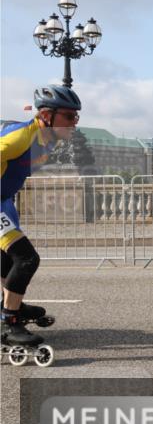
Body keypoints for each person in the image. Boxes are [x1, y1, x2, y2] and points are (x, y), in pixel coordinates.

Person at [1, 85, 81, 346]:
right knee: (26, 259)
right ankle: (10, 322)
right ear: (47, 115)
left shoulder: (48, 141)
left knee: (6, 261)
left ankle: (11, 306)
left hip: (4, 201)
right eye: (69, 116)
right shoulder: (21, 137)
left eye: (76, 117)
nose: (74, 122)